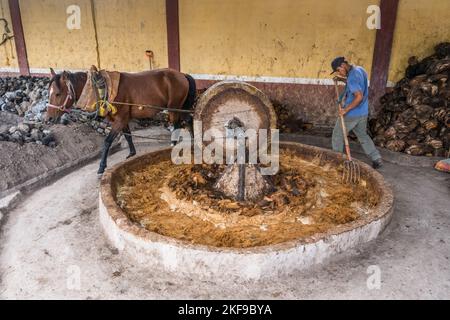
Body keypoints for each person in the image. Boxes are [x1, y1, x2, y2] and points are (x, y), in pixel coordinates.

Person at [330, 56, 383, 169]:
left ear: (343, 66)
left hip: (351, 114)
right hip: (363, 112)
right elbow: (355, 82)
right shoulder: (359, 69)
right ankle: (376, 158)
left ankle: (338, 161)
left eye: (339, 70)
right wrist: (341, 79)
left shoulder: (352, 77)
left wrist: (346, 109)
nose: (340, 73)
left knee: (337, 135)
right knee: (362, 135)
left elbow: (358, 97)